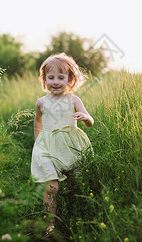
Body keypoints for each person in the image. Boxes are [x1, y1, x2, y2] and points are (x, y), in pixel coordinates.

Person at [31, 53, 94, 237]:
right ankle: (49, 224)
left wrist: (86, 118)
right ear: (44, 80)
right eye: (51, 78)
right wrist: (38, 143)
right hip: (48, 147)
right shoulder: (41, 103)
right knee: (52, 187)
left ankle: (74, 212)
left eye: (61, 77)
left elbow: (90, 120)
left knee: (73, 183)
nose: (56, 82)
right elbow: (38, 122)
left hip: (70, 145)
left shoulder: (73, 100)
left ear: (70, 79)